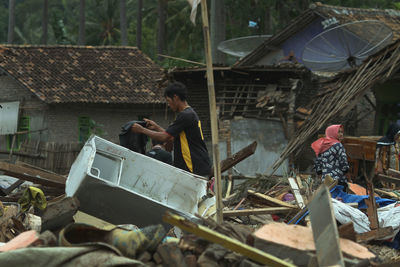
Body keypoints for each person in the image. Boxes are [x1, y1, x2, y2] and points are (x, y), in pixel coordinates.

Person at [131, 82, 211, 176]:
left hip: (193, 166)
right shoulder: (190, 113)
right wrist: (156, 127)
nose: (168, 105)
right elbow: (172, 137)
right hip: (198, 165)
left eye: (168, 101)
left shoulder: (185, 115)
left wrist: (142, 130)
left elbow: (165, 137)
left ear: (175, 98)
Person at [311, 124, 349, 188]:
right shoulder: (338, 145)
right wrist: (346, 172)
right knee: (339, 198)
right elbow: (344, 163)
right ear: (332, 133)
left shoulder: (322, 146)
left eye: (342, 132)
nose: (341, 134)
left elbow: (317, 165)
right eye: (339, 132)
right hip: (338, 181)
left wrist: (322, 175)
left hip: (326, 181)